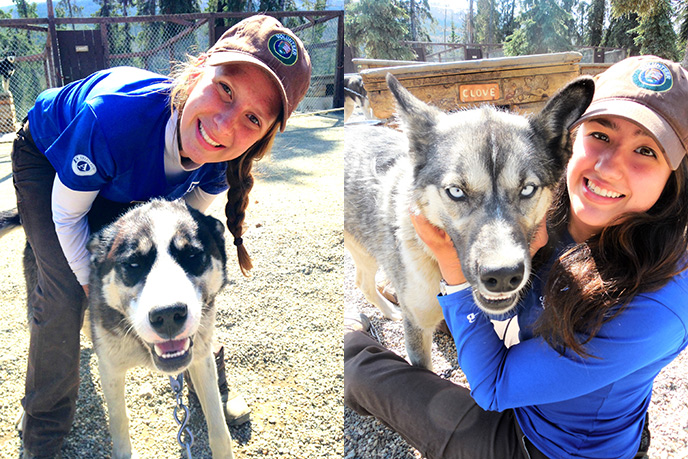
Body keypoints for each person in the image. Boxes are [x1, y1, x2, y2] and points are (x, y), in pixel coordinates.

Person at [344, 55, 688, 459]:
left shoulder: (663, 306)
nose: (608, 168)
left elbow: (491, 388)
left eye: (646, 150)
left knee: (359, 368)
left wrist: (454, 272)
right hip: (581, 417)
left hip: (537, 446)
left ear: (675, 172)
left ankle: (353, 336)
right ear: (573, 141)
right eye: (602, 135)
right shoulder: (561, 204)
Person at [12, 14, 311, 458]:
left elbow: (179, 233)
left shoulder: (223, 160)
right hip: (52, 160)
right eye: (225, 88)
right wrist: (96, 286)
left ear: (263, 136)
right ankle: (43, 428)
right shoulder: (113, 118)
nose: (225, 125)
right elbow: (70, 217)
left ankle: (213, 385)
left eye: (252, 117)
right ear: (197, 73)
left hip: (119, 175)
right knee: (64, 294)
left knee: (190, 281)